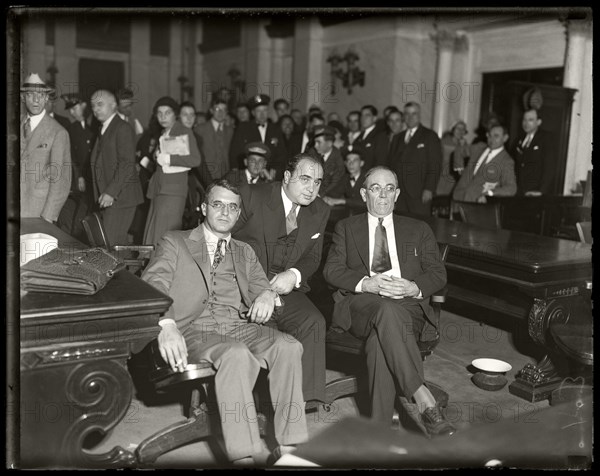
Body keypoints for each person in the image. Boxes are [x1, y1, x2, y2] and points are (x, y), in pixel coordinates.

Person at [139, 179, 308, 465]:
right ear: (203, 207)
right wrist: (166, 326)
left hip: (237, 326)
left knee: (289, 346)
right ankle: (243, 455)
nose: (225, 212)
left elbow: (259, 286)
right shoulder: (175, 241)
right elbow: (152, 284)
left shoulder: (244, 251)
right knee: (236, 354)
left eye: (232, 207)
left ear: (239, 213)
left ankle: (290, 449)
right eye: (218, 204)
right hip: (193, 328)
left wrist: (267, 294)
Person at [323, 166, 455, 437]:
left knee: (380, 340)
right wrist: (366, 283)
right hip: (362, 305)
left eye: (389, 188)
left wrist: (413, 287)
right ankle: (423, 398)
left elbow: (437, 273)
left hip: (408, 307)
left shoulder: (418, 229)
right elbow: (331, 270)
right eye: (375, 188)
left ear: (396, 195)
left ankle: (378, 432)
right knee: (385, 309)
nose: (382, 194)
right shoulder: (347, 227)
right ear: (363, 194)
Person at [232, 153, 330, 404]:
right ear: (286, 177)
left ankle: (302, 405)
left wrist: (294, 274)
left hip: (283, 289)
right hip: (241, 284)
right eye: (305, 179)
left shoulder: (320, 210)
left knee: (313, 322)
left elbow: (312, 258)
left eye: (317, 182)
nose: (311, 189)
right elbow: (223, 242)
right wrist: (260, 289)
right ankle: (257, 401)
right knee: (266, 327)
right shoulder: (252, 196)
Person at [143, 96, 201, 246]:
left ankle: (161, 268)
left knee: (164, 237)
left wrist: (169, 159)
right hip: (159, 189)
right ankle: (151, 267)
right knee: (154, 235)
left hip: (173, 192)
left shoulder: (183, 131)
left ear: (175, 114)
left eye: (167, 113)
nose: (163, 117)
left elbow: (195, 160)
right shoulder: (164, 133)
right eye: (159, 113)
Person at [89, 89, 143, 245]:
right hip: (110, 197)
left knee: (109, 243)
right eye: (93, 106)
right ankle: (126, 270)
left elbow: (127, 163)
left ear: (113, 105)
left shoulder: (122, 128)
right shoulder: (104, 128)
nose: (95, 109)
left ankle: (118, 270)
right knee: (116, 243)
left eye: (100, 104)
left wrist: (110, 192)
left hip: (121, 197)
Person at [20, 73, 71, 222]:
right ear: (23, 97)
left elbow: (61, 181)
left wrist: (47, 218)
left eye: (41, 95)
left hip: (38, 212)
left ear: (47, 98)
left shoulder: (58, 132)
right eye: (31, 94)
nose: (36, 99)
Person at [388, 101, 442, 217]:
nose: (410, 117)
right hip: (400, 193)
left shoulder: (429, 135)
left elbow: (435, 164)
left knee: (419, 225)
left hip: (419, 192)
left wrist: (429, 189)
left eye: (414, 114)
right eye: (407, 114)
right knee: (400, 225)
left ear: (419, 115)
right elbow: (392, 165)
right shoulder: (398, 137)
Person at [56, 93, 96, 239]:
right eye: (70, 110)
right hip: (82, 178)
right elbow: (72, 155)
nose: (72, 112)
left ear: (84, 106)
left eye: (75, 108)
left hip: (96, 176)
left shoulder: (96, 125)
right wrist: (79, 175)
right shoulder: (72, 129)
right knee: (79, 212)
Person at [452, 124, 517, 203]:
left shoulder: (506, 161)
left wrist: (491, 193)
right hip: (458, 197)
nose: (491, 139)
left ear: (505, 138)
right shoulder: (479, 147)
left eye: (496, 136)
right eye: (489, 135)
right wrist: (459, 169)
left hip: (477, 204)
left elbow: (511, 188)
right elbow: (459, 151)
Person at [229, 94, 286, 179]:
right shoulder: (243, 128)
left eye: (265, 110)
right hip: (249, 175)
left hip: (270, 176)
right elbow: (235, 153)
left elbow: (282, 154)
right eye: (259, 111)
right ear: (253, 113)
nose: (262, 114)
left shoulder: (276, 129)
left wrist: (275, 168)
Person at [512, 109, 555, 196]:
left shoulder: (546, 138)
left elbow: (549, 167)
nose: (526, 123)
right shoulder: (519, 139)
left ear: (538, 122)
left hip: (535, 192)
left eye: (530, 120)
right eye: (524, 120)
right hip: (518, 190)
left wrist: (542, 191)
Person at [194, 97, 234, 181]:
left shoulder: (231, 131)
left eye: (223, 109)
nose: (220, 112)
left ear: (227, 112)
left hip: (225, 178)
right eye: (217, 109)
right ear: (211, 111)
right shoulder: (200, 129)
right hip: (205, 177)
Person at [322, 144, 367, 213]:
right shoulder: (345, 178)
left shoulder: (369, 179)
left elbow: (368, 203)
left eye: (355, 160)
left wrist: (343, 201)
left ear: (361, 163)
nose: (351, 164)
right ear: (345, 163)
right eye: (348, 160)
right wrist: (325, 198)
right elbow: (334, 193)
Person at [307, 125, 344, 197]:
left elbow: (334, 183)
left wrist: (318, 195)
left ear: (329, 143)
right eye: (315, 142)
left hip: (330, 197)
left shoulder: (338, 158)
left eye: (319, 142)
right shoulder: (312, 153)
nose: (315, 145)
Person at [436, 120, 468, 197]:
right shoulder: (444, 142)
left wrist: (463, 147)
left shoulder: (465, 145)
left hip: (456, 179)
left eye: (462, 129)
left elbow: (466, 161)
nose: (460, 131)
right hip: (442, 177)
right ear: (453, 129)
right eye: (458, 128)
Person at [354, 105, 388, 171]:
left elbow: (380, 161)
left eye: (367, 115)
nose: (363, 118)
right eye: (362, 115)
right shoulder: (360, 136)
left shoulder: (380, 135)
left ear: (374, 118)